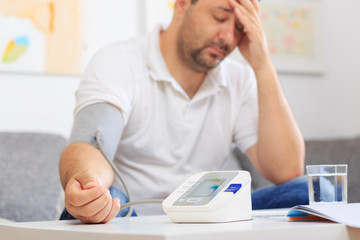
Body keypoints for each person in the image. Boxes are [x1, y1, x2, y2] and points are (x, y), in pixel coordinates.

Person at [59, 0, 308, 224]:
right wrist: (88, 183)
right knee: (106, 196)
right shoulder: (119, 62)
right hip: (130, 216)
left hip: (208, 217)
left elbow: (286, 171)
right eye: (220, 17)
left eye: (241, 28)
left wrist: (262, 64)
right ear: (182, 5)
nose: (229, 37)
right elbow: (91, 144)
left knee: (310, 192)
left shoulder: (239, 80)